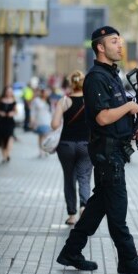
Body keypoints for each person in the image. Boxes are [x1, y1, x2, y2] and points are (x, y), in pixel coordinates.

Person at [56, 25, 138, 274]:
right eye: (114, 42)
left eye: (120, 41)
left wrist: (134, 129)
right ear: (100, 47)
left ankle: (71, 251)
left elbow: (115, 116)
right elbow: (102, 117)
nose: (119, 45)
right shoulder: (96, 78)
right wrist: (130, 108)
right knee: (117, 209)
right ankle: (128, 259)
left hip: (115, 151)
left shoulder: (112, 75)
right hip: (106, 154)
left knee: (96, 207)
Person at [51, 70, 92, 225]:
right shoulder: (90, 101)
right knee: (84, 176)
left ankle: (72, 215)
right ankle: (84, 205)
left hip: (66, 145)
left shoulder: (64, 101)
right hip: (85, 145)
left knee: (69, 178)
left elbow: (54, 124)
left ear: (71, 83)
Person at [0, 85, 17, 163]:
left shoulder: (13, 101)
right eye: (8, 91)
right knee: (2, 139)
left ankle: (7, 153)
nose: (9, 93)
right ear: (5, 92)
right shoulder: (0, 100)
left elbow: (16, 111)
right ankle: (4, 156)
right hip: (1, 122)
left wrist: (12, 113)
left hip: (10, 122)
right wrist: (0, 112)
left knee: (10, 137)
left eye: (10, 91)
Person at [30, 86, 52, 158]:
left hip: (47, 121)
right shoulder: (36, 100)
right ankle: (41, 151)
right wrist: (32, 120)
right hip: (39, 121)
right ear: (42, 93)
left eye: (47, 92)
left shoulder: (48, 101)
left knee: (45, 136)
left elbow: (51, 112)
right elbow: (32, 111)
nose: (46, 94)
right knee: (41, 136)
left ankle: (44, 150)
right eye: (45, 92)